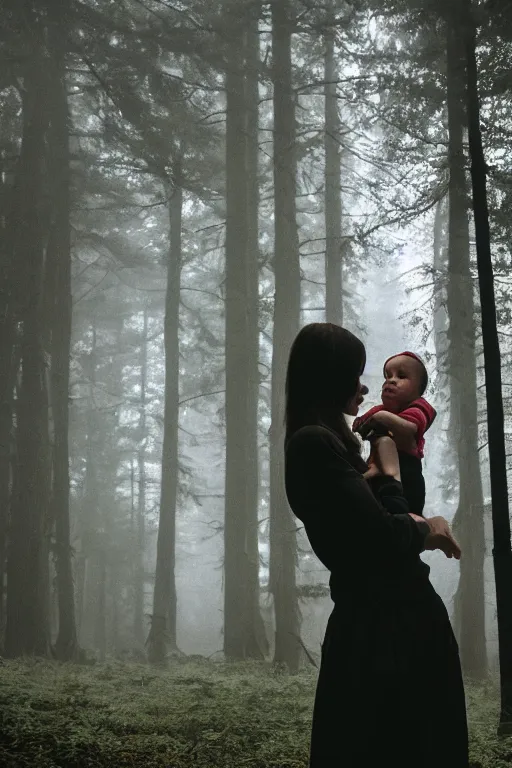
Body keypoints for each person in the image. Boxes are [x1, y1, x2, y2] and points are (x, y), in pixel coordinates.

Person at [284, 323, 468, 768]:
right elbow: (381, 538)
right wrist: (419, 521)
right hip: (383, 632)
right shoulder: (314, 445)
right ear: (331, 378)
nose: (366, 386)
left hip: (393, 626)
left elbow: (381, 525)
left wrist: (407, 510)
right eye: (356, 374)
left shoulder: (334, 444)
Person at [352, 351, 435, 515]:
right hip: (379, 470)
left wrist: (380, 418)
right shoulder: (379, 410)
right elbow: (358, 427)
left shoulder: (419, 408)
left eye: (401, 376)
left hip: (407, 472)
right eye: (387, 376)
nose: (391, 380)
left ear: (418, 391)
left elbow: (410, 427)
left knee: (408, 510)